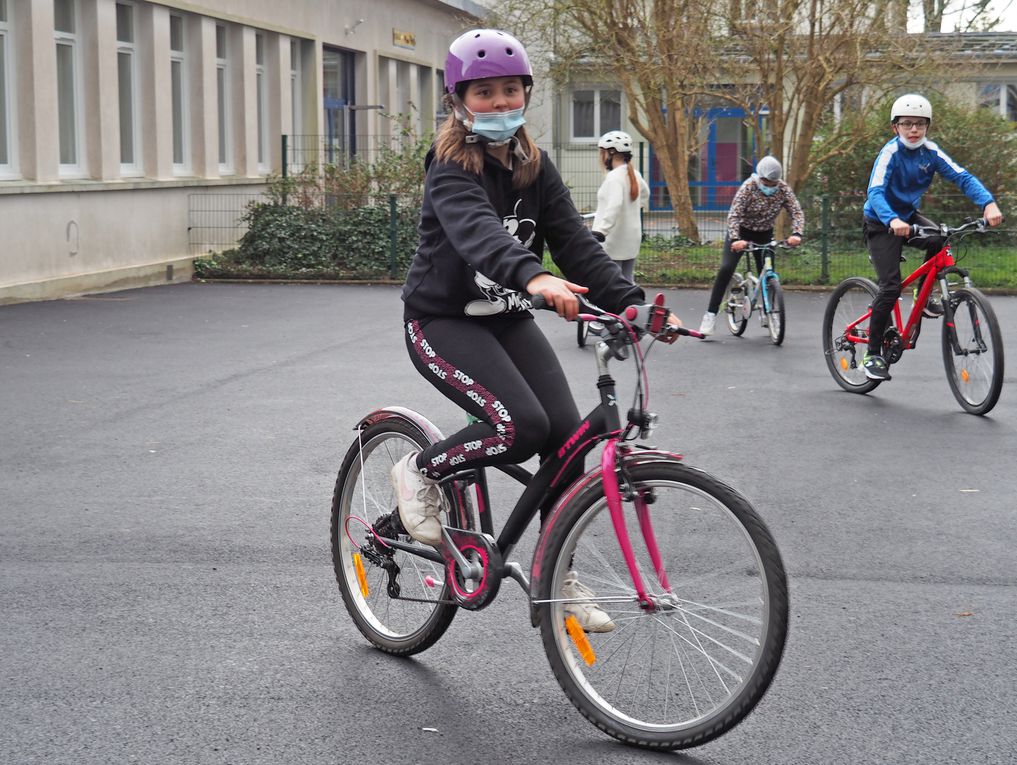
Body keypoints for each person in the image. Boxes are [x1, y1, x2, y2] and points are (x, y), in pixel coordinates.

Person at [392, 29, 680, 632]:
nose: (499, 103)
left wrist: (634, 304)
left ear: (526, 94)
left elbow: (577, 244)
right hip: (440, 320)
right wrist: (536, 278)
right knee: (517, 426)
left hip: (506, 316)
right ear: (459, 102)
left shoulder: (534, 167)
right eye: (484, 93)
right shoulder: (448, 168)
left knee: (567, 438)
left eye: (509, 91)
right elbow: (480, 236)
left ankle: (557, 571)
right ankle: (422, 472)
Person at [860, 93, 1003, 381]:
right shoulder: (890, 153)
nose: (914, 130)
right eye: (907, 124)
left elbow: (962, 177)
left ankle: (922, 296)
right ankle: (871, 354)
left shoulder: (931, 152)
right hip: (880, 221)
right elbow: (874, 193)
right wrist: (893, 220)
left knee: (939, 239)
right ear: (895, 127)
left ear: (928, 127)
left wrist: (988, 203)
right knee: (889, 288)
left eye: (920, 124)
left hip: (907, 216)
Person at [698, 156, 804, 336]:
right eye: (766, 182)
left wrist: (796, 233)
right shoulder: (748, 188)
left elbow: (796, 211)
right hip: (741, 233)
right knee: (726, 268)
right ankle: (710, 315)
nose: (769, 186)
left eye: (773, 183)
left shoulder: (783, 189)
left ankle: (769, 313)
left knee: (769, 275)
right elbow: (734, 215)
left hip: (764, 234)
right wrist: (735, 239)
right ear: (759, 177)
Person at [591, 130, 650, 282]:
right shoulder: (634, 173)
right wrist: (631, 210)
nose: (601, 157)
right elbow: (645, 195)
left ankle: (623, 306)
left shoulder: (614, 178)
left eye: (602, 152)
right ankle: (637, 305)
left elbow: (614, 206)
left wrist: (601, 231)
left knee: (613, 283)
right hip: (631, 238)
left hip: (613, 241)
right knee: (628, 280)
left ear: (609, 153)